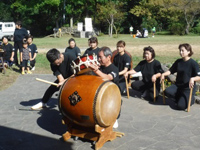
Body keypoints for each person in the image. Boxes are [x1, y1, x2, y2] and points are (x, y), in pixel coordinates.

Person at [161, 43, 200, 110]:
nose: (181, 52)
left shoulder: (193, 64)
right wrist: (163, 74)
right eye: (180, 50)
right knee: (167, 91)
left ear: (188, 51)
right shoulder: (178, 62)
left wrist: (193, 78)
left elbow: (199, 76)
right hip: (178, 86)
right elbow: (171, 71)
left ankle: (191, 100)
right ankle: (180, 99)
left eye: (182, 50)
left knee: (180, 106)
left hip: (188, 88)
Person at [88, 46, 120, 128]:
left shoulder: (114, 69)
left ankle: (114, 118)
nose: (98, 59)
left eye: (100, 57)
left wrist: (96, 70)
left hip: (112, 97)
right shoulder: (100, 67)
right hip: (99, 94)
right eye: (98, 57)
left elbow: (107, 78)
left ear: (108, 57)